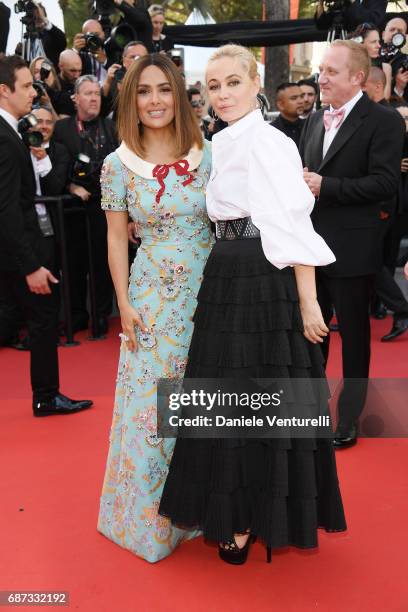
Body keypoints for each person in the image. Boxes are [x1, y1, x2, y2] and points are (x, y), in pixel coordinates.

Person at [158, 44, 346, 565]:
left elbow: (291, 224)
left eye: (232, 83)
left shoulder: (266, 140)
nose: (222, 94)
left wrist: (309, 304)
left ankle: (245, 517)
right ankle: (236, 511)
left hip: (262, 280)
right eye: (214, 86)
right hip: (227, 272)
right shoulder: (224, 139)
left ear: (254, 81)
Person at [97, 54, 213, 563]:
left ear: (179, 95)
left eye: (164, 90)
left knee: (202, 402)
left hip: (210, 294)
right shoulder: (116, 164)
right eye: (144, 91)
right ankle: (148, 522)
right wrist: (123, 302)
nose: (155, 101)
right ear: (131, 100)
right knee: (153, 410)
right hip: (150, 300)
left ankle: (203, 508)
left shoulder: (209, 155)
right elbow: (117, 239)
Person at [300, 40, 403, 448]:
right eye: (321, 70)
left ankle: (349, 418)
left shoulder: (385, 121)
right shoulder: (313, 119)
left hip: (353, 249)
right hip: (309, 247)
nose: (321, 78)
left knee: (355, 338)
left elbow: (385, 184)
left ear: (357, 78)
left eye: (331, 72)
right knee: (312, 332)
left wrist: (328, 186)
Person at [0, 54, 92, 416]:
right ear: (3, 91)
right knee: (41, 321)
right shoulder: (5, 140)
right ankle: (47, 395)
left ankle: (47, 393)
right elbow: (6, 208)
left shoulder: (12, 133)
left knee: (40, 320)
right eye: (25, 86)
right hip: (21, 252)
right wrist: (30, 266)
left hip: (23, 246)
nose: (32, 93)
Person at [53, 75, 117, 336]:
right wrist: (70, 186)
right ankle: (77, 315)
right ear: (75, 98)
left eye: (97, 94)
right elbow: (55, 165)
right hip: (72, 208)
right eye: (88, 94)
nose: (93, 98)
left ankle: (101, 316)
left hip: (103, 207)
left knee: (102, 263)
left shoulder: (111, 129)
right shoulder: (63, 129)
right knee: (74, 264)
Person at [349, 23, 391, 100]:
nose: (379, 46)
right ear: (360, 44)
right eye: (373, 42)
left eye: (378, 41)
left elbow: (385, 98)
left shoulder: (386, 67)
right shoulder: (350, 67)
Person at [381, 17, 408, 102]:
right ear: (383, 34)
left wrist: (399, 88)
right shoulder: (372, 54)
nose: (395, 33)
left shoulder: (405, 61)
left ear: (404, 37)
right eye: (392, 29)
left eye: (400, 31)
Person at [270, 82, 305, 148]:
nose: (301, 101)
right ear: (280, 105)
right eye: (294, 98)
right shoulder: (270, 131)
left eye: (301, 96)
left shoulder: (310, 126)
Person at [55, 49, 82, 117]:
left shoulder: (83, 85)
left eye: (79, 71)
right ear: (60, 67)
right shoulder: (53, 86)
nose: (77, 75)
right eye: (73, 71)